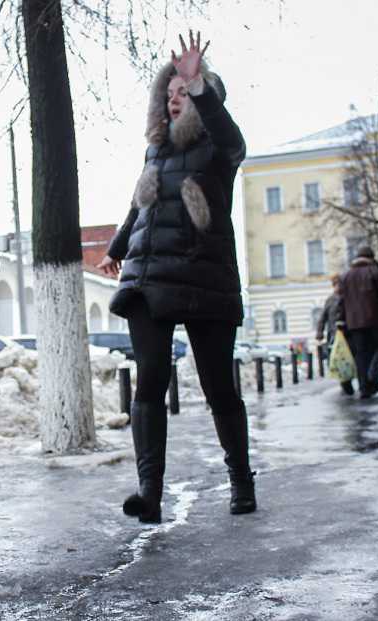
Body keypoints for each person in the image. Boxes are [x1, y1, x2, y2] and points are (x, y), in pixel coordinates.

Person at [98, 31, 255, 522]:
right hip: (149, 277)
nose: (173, 100)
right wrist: (117, 248)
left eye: (182, 93)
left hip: (204, 278)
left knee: (218, 387)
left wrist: (199, 85)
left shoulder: (218, 149)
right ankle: (150, 493)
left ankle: (241, 481)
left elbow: (234, 140)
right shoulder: (155, 152)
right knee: (150, 381)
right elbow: (139, 206)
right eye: (168, 93)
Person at [339, 246, 378, 398]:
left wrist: (341, 320)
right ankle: (372, 375)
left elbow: (342, 301)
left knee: (361, 354)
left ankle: (364, 387)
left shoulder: (346, 275)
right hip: (375, 320)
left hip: (354, 324)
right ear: (371, 257)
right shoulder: (375, 272)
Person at [316, 274, 353, 395]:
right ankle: (345, 383)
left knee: (349, 358)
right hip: (334, 335)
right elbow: (323, 317)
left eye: (339, 283)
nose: (338, 286)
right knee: (337, 358)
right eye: (336, 284)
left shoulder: (349, 297)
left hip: (349, 333)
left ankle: (348, 381)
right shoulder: (330, 299)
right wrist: (319, 332)